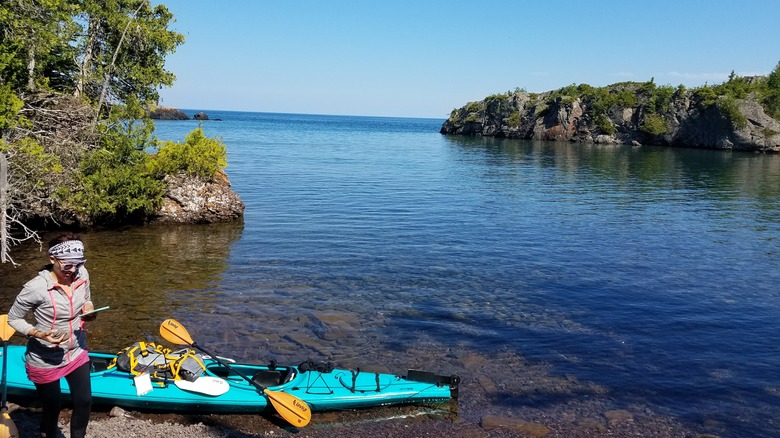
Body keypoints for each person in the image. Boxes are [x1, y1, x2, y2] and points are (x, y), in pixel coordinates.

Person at [8, 233, 97, 438]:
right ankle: (46, 433)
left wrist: (89, 310)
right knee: (52, 406)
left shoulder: (82, 274)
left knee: (84, 401)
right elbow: (13, 319)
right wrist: (39, 333)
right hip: (45, 358)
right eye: (67, 266)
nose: (73, 270)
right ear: (52, 259)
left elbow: (87, 298)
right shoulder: (35, 288)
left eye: (78, 264)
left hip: (76, 350)